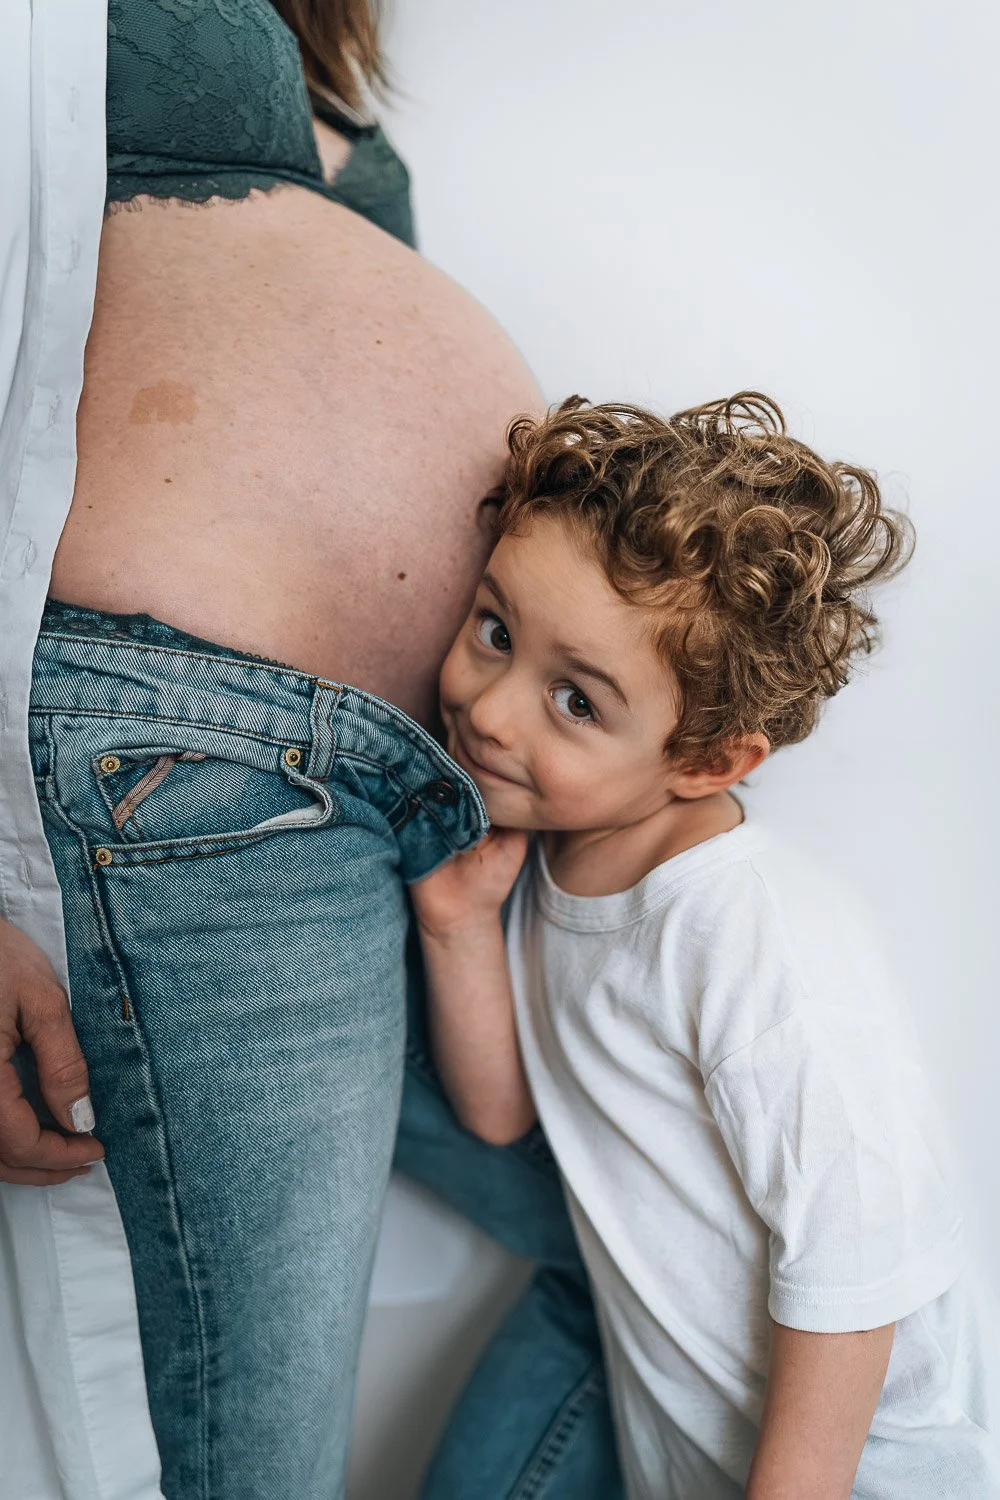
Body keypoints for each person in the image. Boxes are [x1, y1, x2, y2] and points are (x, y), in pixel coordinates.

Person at [0, 4, 622, 1497]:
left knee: (668, 1259)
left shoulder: (314, 42)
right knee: (248, 1471)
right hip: (199, 761)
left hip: (436, 819)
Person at [410, 394, 1000, 1498]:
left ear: (707, 764)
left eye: (574, 700)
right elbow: (502, 1114)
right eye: (495, 631)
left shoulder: (748, 932)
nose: (491, 713)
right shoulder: (557, 852)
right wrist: (456, 927)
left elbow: (858, 1265)